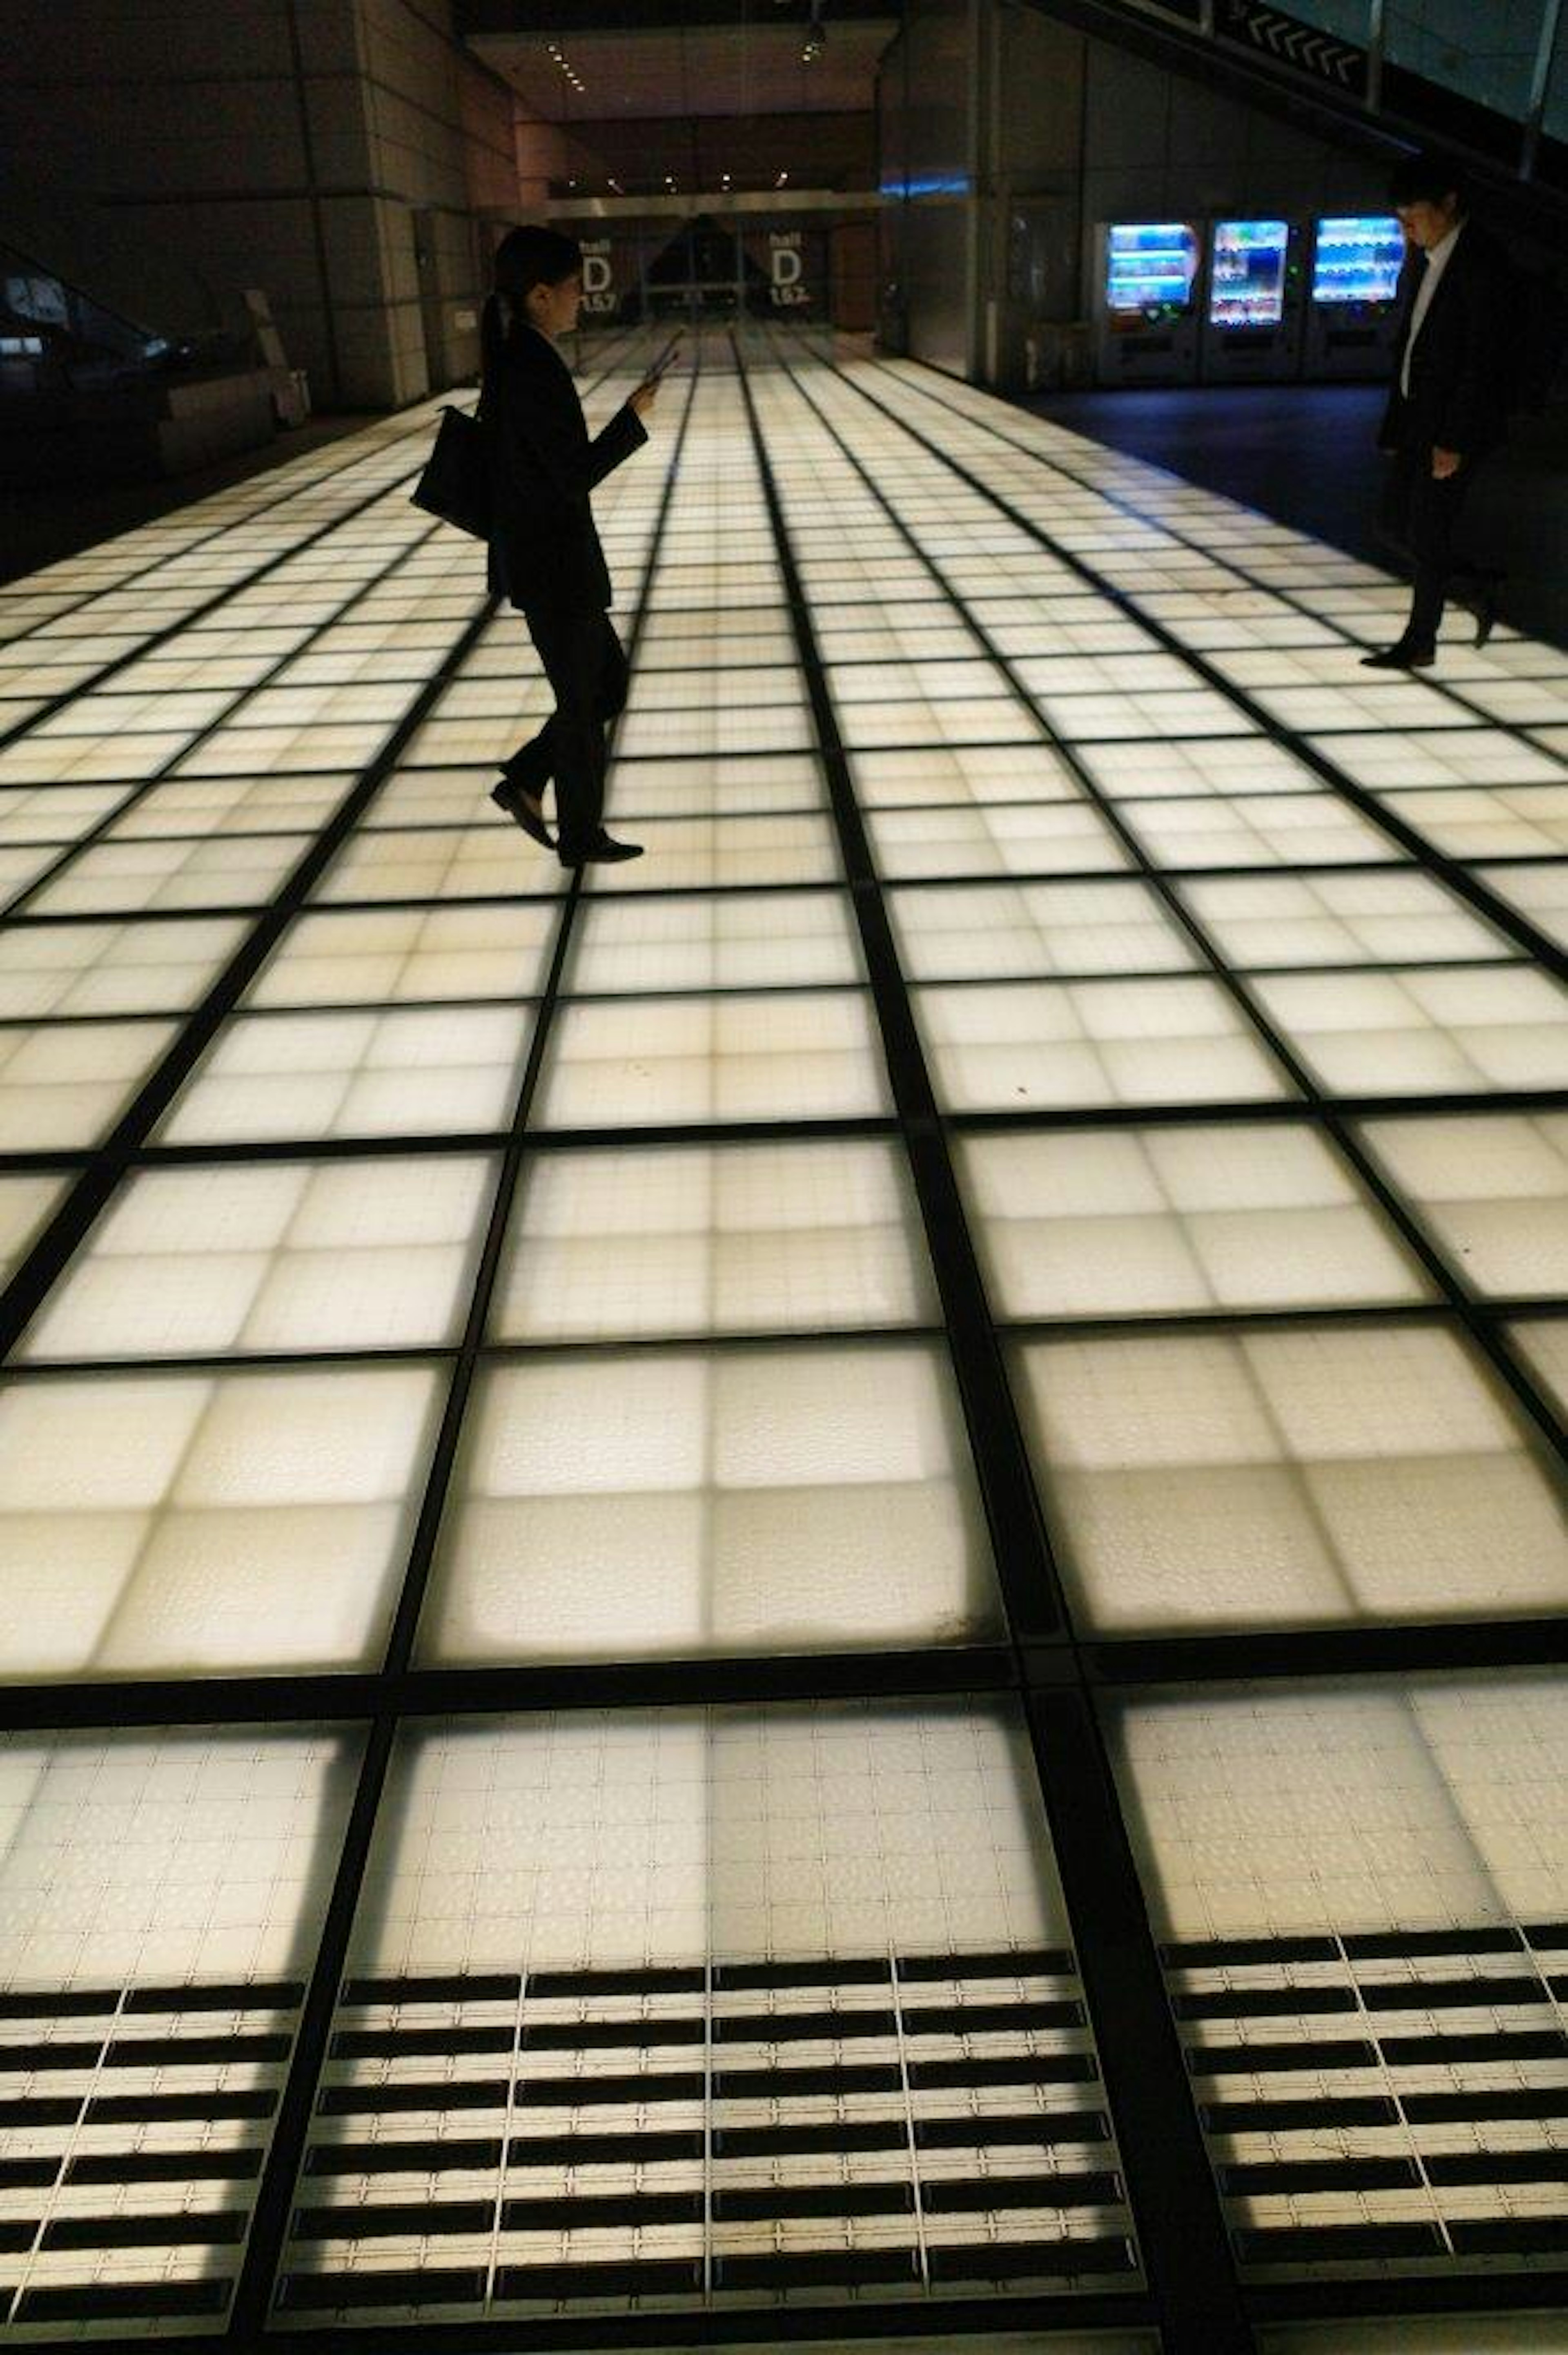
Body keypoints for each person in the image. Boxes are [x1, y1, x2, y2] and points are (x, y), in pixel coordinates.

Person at [482, 225, 659, 864]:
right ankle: (579, 834)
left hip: (545, 561)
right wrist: (631, 422)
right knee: (587, 702)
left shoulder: (521, 358)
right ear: (539, 295)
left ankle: (527, 778)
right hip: (554, 563)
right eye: (572, 289)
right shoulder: (530, 367)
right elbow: (571, 477)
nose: (581, 299)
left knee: (604, 687)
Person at [1362, 152, 1510, 672]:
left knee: (1427, 533)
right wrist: (1396, 424)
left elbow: (1483, 363)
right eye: (1401, 219)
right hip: (1419, 420)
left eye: (1415, 217)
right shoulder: (1429, 259)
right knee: (1391, 524)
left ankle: (1420, 640)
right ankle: (1471, 584)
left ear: (1448, 204)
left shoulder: (1480, 265)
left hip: (1450, 427)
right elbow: (1413, 343)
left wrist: (1456, 439)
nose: (1408, 228)